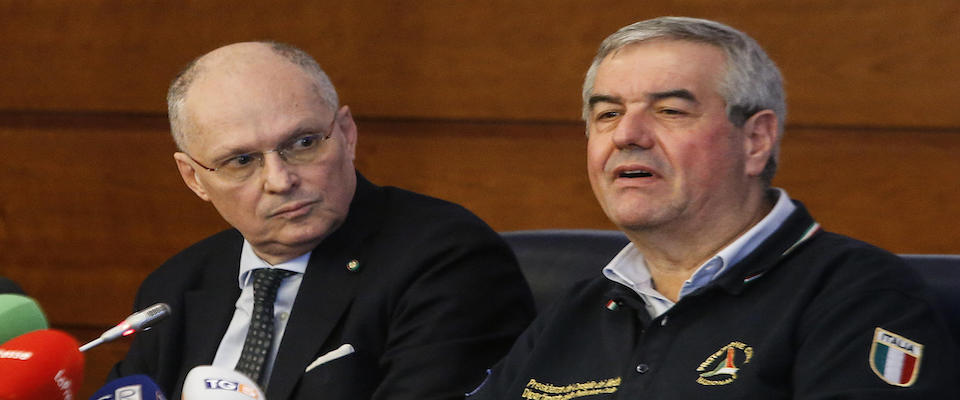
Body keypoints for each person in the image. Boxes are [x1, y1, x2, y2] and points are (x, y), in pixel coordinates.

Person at [468, 17, 959, 399]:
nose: (626, 135)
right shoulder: (576, 311)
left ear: (755, 140)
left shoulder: (858, 295)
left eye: (670, 111)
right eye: (608, 113)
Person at [107, 41, 535, 400]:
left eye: (304, 143)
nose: (280, 180)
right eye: (241, 161)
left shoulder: (447, 261)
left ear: (346, 134)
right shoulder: (175, 289)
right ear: (194, 178)